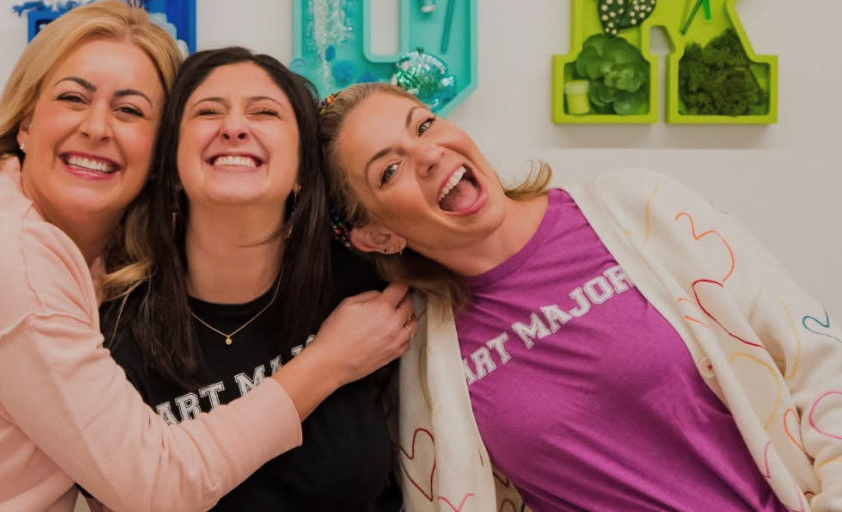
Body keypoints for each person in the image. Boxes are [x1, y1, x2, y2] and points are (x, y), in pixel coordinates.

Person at [0, 4, 417, 512]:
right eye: (72, 98)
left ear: (158, 148)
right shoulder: (4, 255)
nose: (96, 126)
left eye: (130, 109)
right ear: (25, 123)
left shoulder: (108, 266)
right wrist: (326, 363)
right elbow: (155, 486)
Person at [320, 82, 842, 512]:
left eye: (425, 125)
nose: (429, 154)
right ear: (377, 236)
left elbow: (815, 362)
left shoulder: (638, 209)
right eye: (389, 170)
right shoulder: (421, 357)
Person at [102, 48, 403, 511]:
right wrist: (330, 361)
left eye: (264, 112)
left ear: (304, 171)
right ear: (173, 167)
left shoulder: (367, 285)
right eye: (208, 112)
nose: (235, 127)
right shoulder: (109, 327)